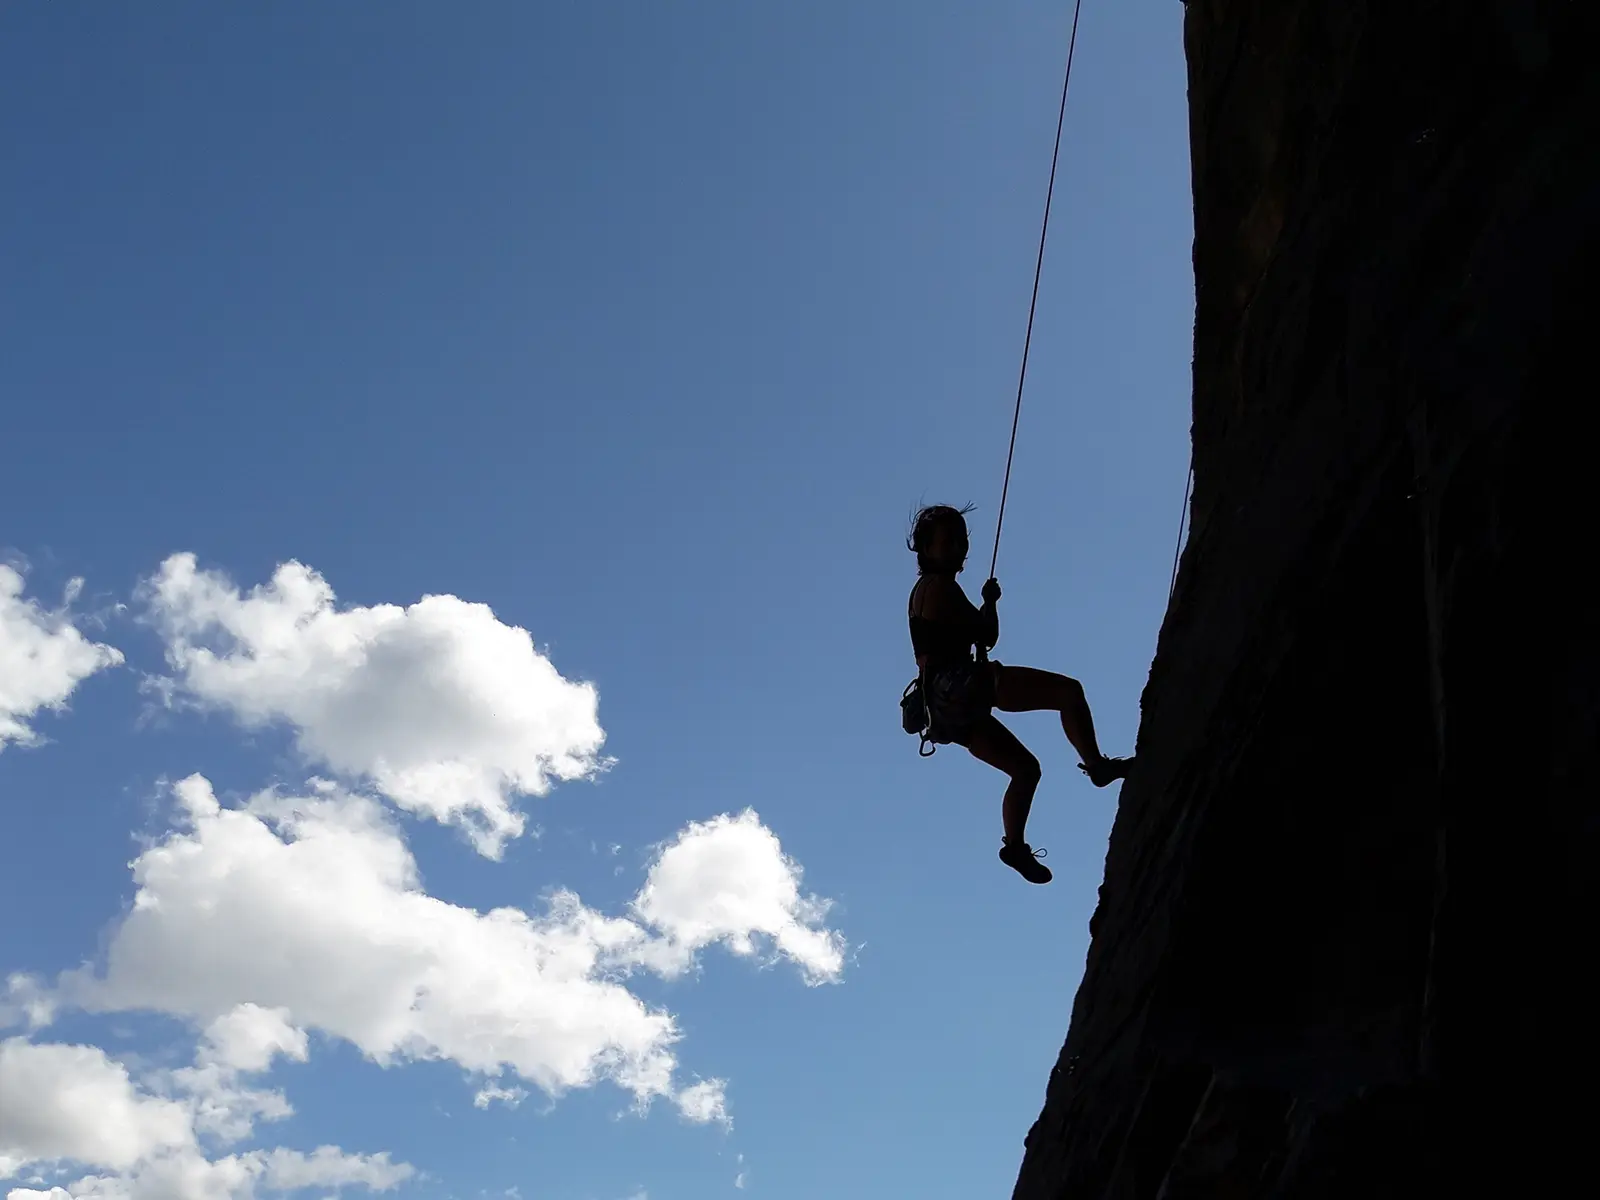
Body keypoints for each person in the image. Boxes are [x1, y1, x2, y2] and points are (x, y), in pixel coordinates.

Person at [907, 503, 1133, 884]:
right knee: (1067, 692)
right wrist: (991, 603)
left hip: (944, 711)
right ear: (927, 550)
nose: (960, 548)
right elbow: (987, 635)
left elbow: (977, 634)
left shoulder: (922, 592)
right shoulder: (938, 588)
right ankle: (1097, 765)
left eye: (962, 540)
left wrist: (985, 606)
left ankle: (1014, 846)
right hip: (961, 686)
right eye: (950, 541)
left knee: (1027, 770)